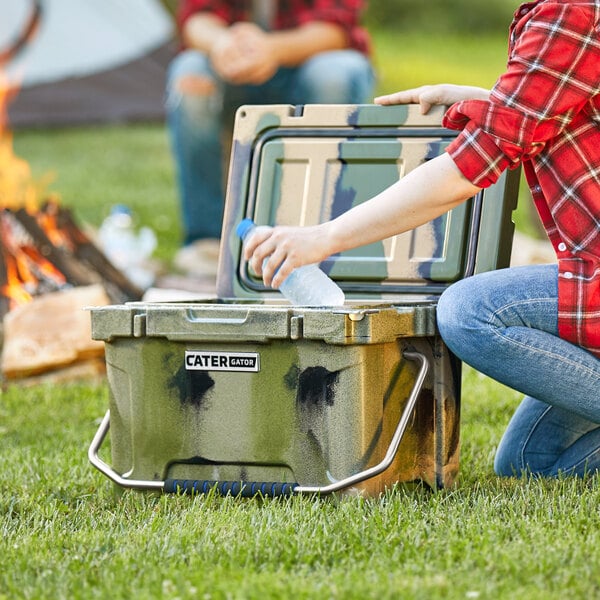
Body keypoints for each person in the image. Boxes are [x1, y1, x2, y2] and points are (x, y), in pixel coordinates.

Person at [243, 0, 600, 478]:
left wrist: (325, 237)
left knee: (470, 312)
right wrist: (486, 99)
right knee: (528, 463)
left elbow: (465, 172)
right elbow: (563, 111)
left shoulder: (572, 15)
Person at [165, 0, 375, 277]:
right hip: (232, 61)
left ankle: (323, 237)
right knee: (190, 71)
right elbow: (196, 19)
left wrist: (270, 49)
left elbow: (335, 29)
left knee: (333, 75)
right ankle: (207, 242)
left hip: (310, 58)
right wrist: (223, 45)